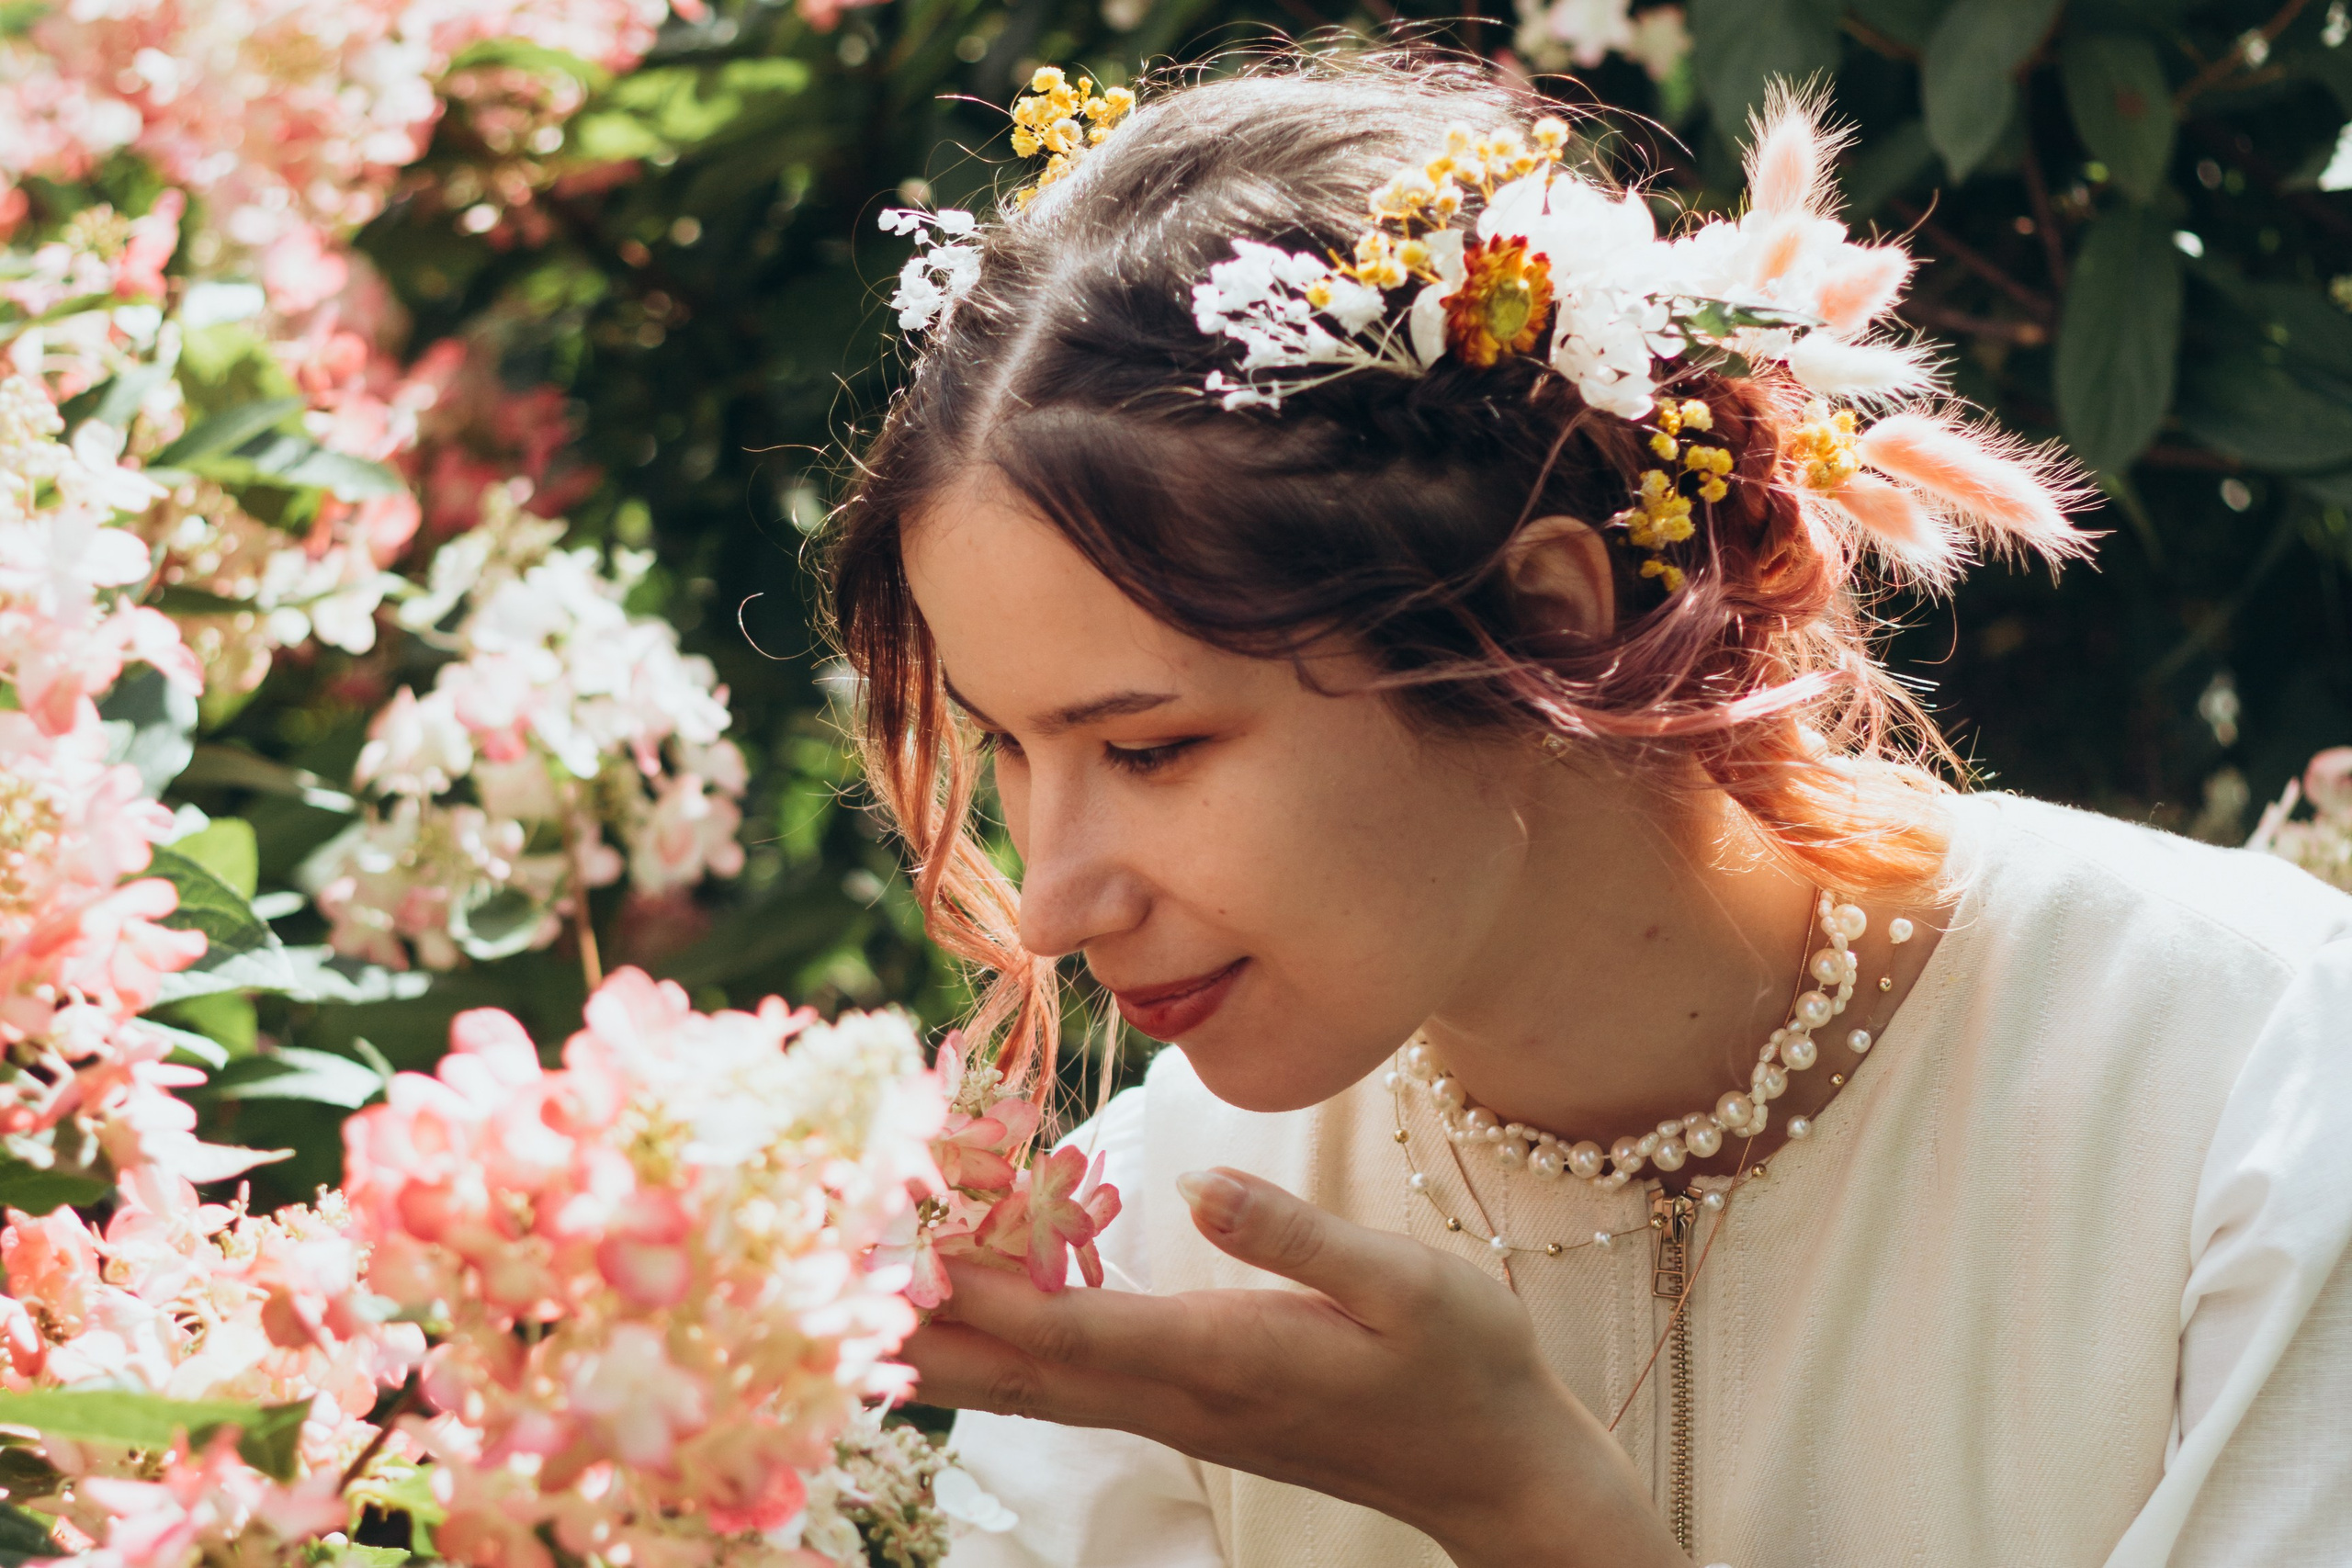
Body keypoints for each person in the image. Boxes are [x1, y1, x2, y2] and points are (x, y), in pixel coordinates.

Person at [823, 51, 2352, 1568]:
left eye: (1150, 750)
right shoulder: (1163, 1231)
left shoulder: (2242, 1077)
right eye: (1008, 748)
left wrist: (1528, 1515)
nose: (1051, 902)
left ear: (1543, 618)